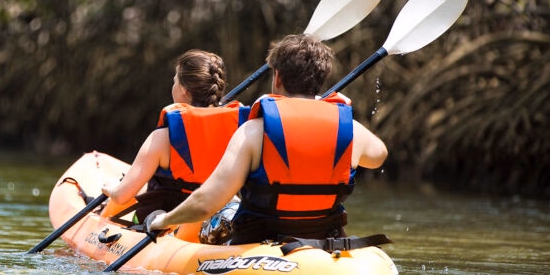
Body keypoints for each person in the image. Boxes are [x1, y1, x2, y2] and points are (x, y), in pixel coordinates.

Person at [149, 33, 388, 245]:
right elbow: (379, 156)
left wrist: (164, 220)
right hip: (323, 237)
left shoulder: (253, 132)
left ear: (278, 78)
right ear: (322, 79)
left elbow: (206, 202)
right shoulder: (351, 131)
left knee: (224, 210)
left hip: (258, 241)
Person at [101, 49, 248, 241]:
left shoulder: (162, 138)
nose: (173, 86)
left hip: (161, 223)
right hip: (210, 223)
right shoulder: (239, 133)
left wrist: (111, 188)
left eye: (175, 81)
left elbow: (122, 196)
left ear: (184, 91)